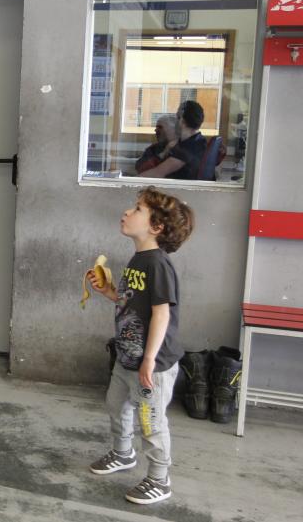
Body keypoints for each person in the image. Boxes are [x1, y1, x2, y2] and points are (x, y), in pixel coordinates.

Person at [86, 186, 194, 505]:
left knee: (150, 421)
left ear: (156, 227)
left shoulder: (158, 264)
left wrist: (148, 359)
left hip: (151, 367)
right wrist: (108, 292)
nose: (127, 213)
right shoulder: (139, 259)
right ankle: (123, 454)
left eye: (136, 210)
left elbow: (162, 313)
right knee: (116, 405)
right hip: (127, 359)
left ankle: (160, 479)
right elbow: (132, 302)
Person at [139, 100, 207, 180]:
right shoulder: (199, 140)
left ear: (182, 121)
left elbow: (157, 173)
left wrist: (129, 180)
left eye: (177, 117)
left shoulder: (188, 148)